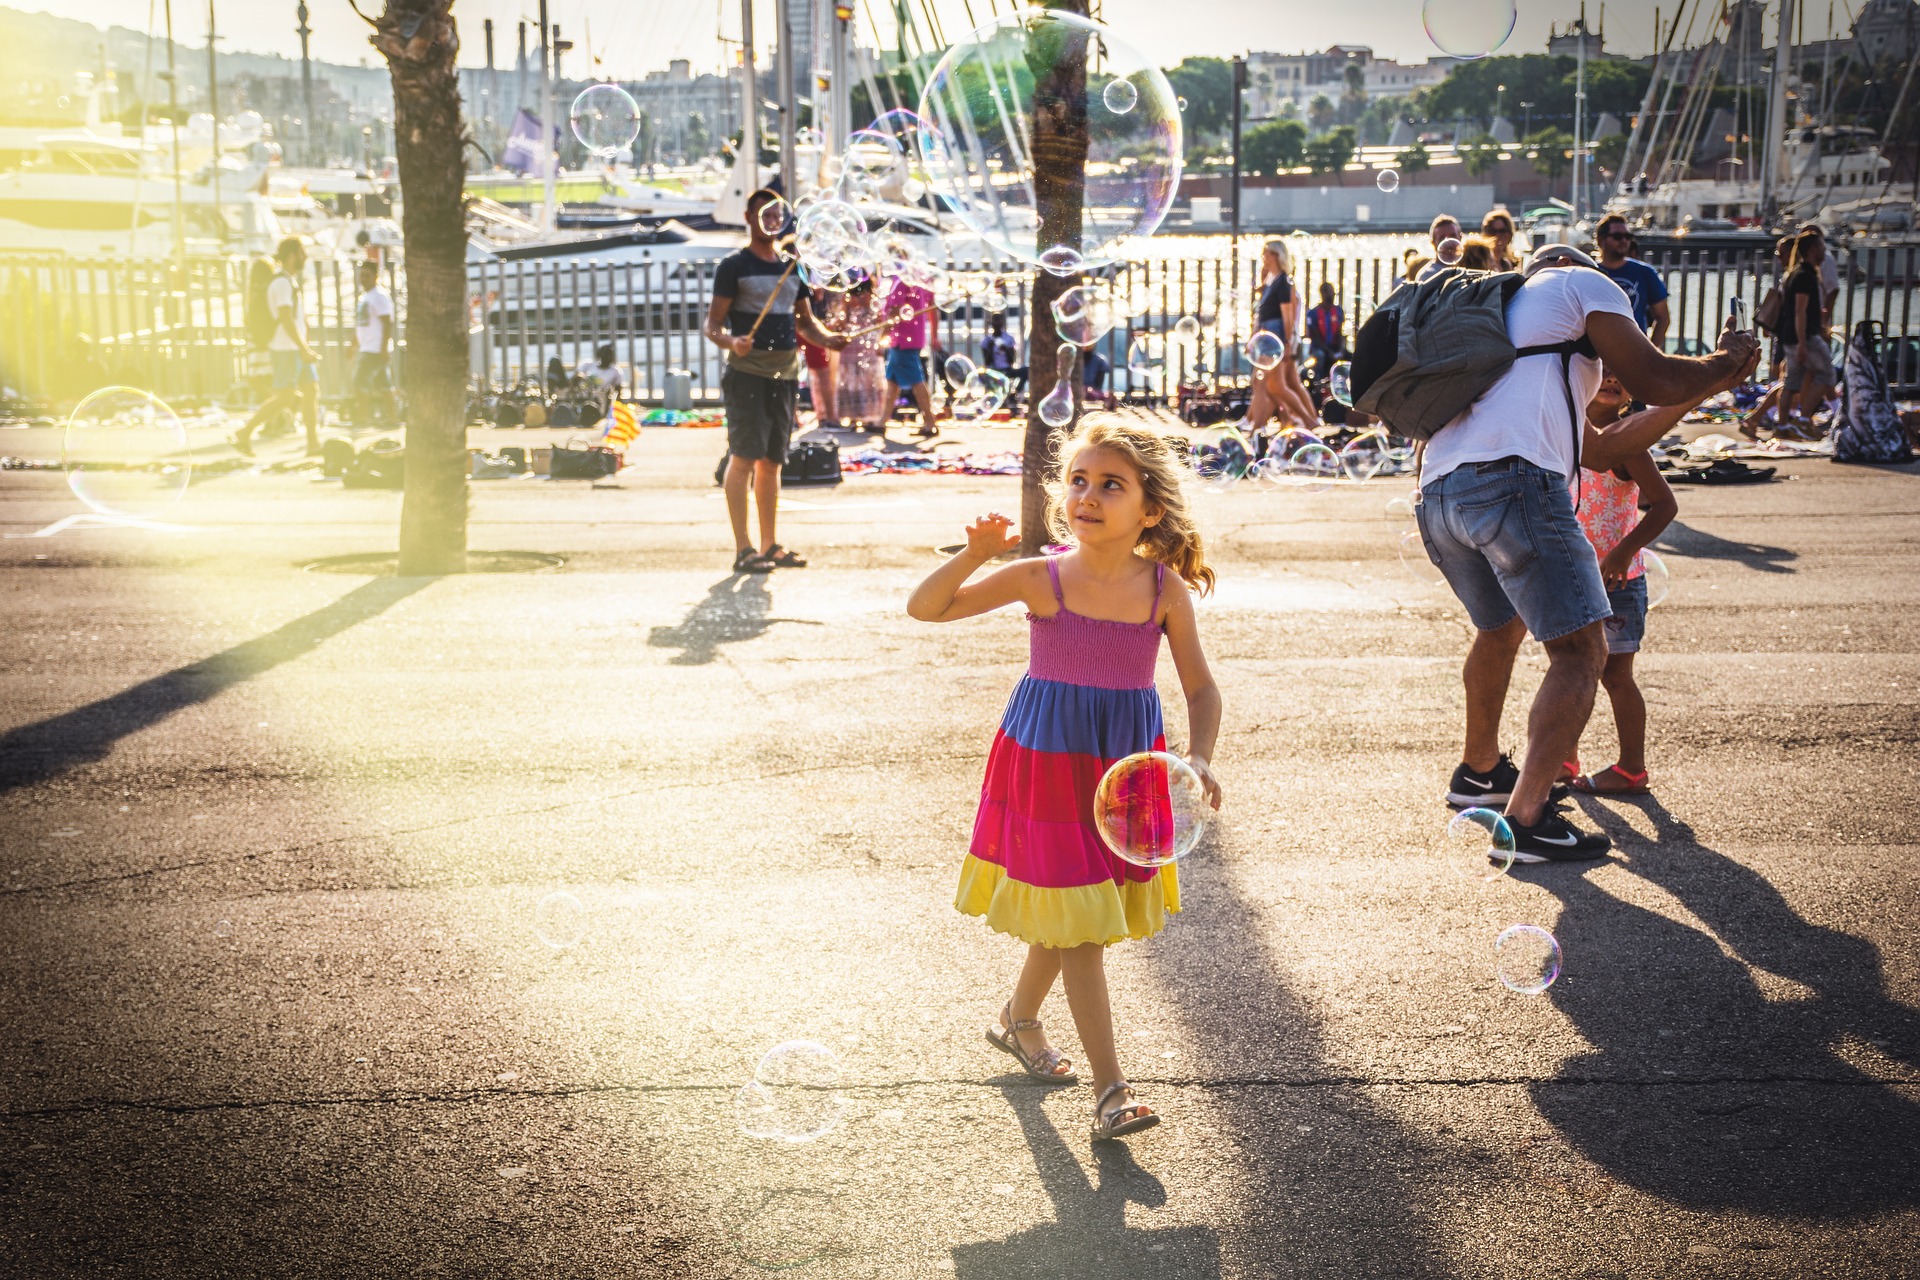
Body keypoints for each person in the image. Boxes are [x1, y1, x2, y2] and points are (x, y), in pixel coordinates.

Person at [906, 417, 1223, 1141]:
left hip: (1123, 766)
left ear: (1150, 510)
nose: (1087, 495)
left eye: (1111, 484)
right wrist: (974, 554)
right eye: (1078, 481)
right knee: (1079, 925)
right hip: (1048, 763)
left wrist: (1199, 755)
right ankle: (1113, 1091)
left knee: (1077, 908)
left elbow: (1202, 690)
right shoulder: (1039, 578)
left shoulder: (1163, 591)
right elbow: (926, 608)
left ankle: (1019, 1020)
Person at [1418, 244, 1758, 862]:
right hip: (1515, 484)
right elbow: (1655, 375)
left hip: (1440, 493)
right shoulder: (1580, 283)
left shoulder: (1512, 328)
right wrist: (1721, 361)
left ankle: (1480, 773)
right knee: (1582, 652)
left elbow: (1602, 450)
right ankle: (1525, 822)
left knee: (1500, 628)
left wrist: (1706, 386)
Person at [703, 187, 849, 574]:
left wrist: (830, 339)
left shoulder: (791, 266)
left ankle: (769, 545)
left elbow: (806, 323)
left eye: (775, 214)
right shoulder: (733, 267)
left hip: (785, 375)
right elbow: (712, 326)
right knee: (744, 457)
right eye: (762, 213)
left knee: (772, 462)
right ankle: (743, 548)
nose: (770, 220)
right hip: (747, 375)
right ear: (748, 218)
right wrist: (732, 340)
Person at [1565, 368, 1679, 797]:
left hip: (1617, 582)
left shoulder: (1625, 442)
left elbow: (1664, 505)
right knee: (1571, 669)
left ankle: (1632, 768)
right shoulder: (1567, 433)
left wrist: (1623, 551)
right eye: (1603, 372)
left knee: (1615, 677)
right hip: (1575, 576)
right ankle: (1563, 758)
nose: (1613, 379)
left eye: (1621, 375)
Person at [233, 236, 321, 457]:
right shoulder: (281, 283)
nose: (305, 257)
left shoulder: (288, 281)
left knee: (311, 391)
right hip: (286, 349)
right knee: (285, 397)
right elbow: (285, 319)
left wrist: (304, 345)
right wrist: (302, 347)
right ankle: (244, 432)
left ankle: (313, 443)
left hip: (295, 348)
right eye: (302, 253)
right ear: (292, 256)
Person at [1249, 239, 1317, 428]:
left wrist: (1288, 343)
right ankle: (1277, 421)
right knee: (1269, 384)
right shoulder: (1273, 281)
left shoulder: (1283, 283)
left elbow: (1287, 317)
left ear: (1276, 256)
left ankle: (1306, 420)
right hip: (1268, 339)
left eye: (1266, 253)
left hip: (1275, 339)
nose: (1263, 257)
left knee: (1274, 385)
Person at [1779, 227, 1836, 434]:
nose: (1824, 251)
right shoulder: (1805, 275)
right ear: (1813, 248)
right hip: (1804, 337)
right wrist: (1803, 343)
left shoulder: (1797, 273)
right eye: (1821, 246)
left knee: (1791, 382)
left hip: (1793, 335)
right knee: (1827, 374)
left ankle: (1783, 425)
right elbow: (1799, 311)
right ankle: (1803, 419)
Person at [1593, 214, 1672, 349]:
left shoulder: (1645, 272)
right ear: (1602, 240)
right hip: (1596, 355)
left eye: (1628, 237)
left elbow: (1663, 317)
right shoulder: (1590, 273)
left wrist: (1650, 353)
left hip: (1634, 351)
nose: (1624, 241)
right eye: (1617, 237)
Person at [880, 277, 938, 439]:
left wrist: (883, 334)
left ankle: (930, 422)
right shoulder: (920, 281)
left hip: (902, 339)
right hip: (912, 337)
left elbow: (894, 310)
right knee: (892, 379)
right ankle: (882, 421)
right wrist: (934, 334)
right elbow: (933, 307)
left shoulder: (901, 283)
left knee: (915, 379)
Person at [350, 259, 395, 428]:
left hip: (374, 349)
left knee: (359, 382)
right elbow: (361, 324)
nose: (363, 279)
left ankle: (363, 418)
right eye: (361, 275)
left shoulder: (379, 296)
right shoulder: (365, 297)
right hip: (367, 347)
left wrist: (383, 348)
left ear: (375, 276)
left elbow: (387, 323)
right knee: (383, 384)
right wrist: (353, 345)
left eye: (367, 275)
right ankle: (392, 418)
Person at [800, 287, 841, 428]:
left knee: (788, 371)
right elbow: (818, 296)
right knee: (822, 373)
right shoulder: (802, 272)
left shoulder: (797, 270)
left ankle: (826, 417)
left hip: (807, 324)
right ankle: (830, 418)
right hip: (811, 325)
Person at [574, 342, 625, 418]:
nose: (608, 357)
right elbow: (575, 377)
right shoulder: (588, 364)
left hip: (599, 400)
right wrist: (582, 377)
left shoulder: (615, 371)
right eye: (605, 354)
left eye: (610, 354)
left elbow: (618, 392)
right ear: (600, 354)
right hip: (582, 395)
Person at [1304, 282, 1345, 376]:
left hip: (1334, 346)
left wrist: (1340, 350)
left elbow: (1340, 333)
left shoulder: (1338, 311)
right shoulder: (1313, 313)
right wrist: (1330, 352)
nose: (1333, 294)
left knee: (1350, 357)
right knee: (1320, 356)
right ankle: (1318, 382)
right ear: (1323, 294)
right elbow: (1316, 338)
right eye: (1331, 292)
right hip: (1320, 348)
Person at [981, 313, 1026, 393]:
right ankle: (993, 394)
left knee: (1026, 370)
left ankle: (1016, 391)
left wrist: (1006, 349)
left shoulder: (1009, 339)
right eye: (995, 322)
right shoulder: (987, 340)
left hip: (1007, 370)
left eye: (999, 321)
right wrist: (990, 348)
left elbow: (1012, 361)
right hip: (993, 371)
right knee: (983, 375)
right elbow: (987, 362)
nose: (997, 324)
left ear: (1002, 323)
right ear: (992, 324)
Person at [1417, 214, 1464, 281]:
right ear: (1433, 243)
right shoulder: (1428, 276)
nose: (1448, 242)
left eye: (1453, 236)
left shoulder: (1469, 269)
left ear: (1460, 238)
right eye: (1442, 238)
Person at [1479, 208, 1523, 272]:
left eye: (1502, 231)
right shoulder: (1479, 261)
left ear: (1509, 234)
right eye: (1493, 231)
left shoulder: (1514, 262)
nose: (1497, 236)